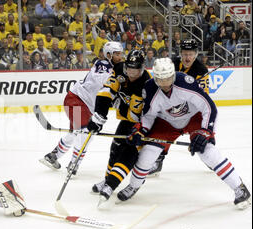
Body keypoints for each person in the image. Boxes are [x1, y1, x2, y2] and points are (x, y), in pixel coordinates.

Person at [116, 58, 251, 210]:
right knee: (148, 153)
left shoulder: (185, 82)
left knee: (207, 152)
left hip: (193, 118)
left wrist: (207, 131)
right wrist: (141, 130)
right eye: (161, 79)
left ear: (173, 75)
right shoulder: (150, 88)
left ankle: (240, 188)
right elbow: (148, 116)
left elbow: (209, 107)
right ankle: (134, 186)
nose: (165, 84)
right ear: (155, 78)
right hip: (166, 122)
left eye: (168, 78)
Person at [40, 42, 124, 175]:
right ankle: (74, 163)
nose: (120, 57)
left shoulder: (116, 69)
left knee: (76, 133)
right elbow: (100, 81)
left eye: (121, 53)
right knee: (85, 132)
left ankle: (52, 156)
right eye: (117, 54)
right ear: (108, 55)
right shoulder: (102, 64)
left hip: (85, 105)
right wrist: (118, 77)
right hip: (76, 100)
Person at [88, 49, 152, 203]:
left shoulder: (146, 83)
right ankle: (107, 179)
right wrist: (99, 115)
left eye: (135, 69)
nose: (131, 72)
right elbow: (106, 91)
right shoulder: (118, 69)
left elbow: (135, 115)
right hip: (126, 120)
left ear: (141, 68)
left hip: (142, 124)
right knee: (115, 149)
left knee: (128, 152)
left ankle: (111, 185)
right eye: (128, 68)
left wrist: (120, 104)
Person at [149, 39, 209, 177]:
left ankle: (207, 152)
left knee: (202, 136)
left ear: (196, 54)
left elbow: (204, 98)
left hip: (193, 111)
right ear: (180, 54)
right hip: (172, 109)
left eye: (190, 54)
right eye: (185, 54)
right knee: (162, 131)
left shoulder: (201, 70)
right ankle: (159, 159)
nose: (187, 57)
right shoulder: (173, 64)